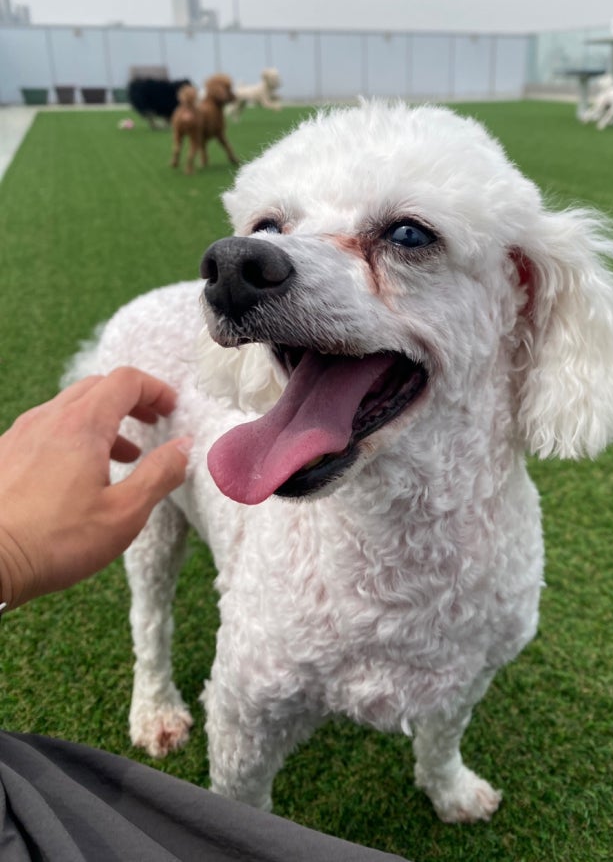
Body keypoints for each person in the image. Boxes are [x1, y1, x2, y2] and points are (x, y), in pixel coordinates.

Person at [0, 367, 408, 861]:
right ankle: (151, 678)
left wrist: (9, 554)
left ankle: (441, 768)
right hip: (161, 417)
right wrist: (8, 553)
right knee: (152, 570)